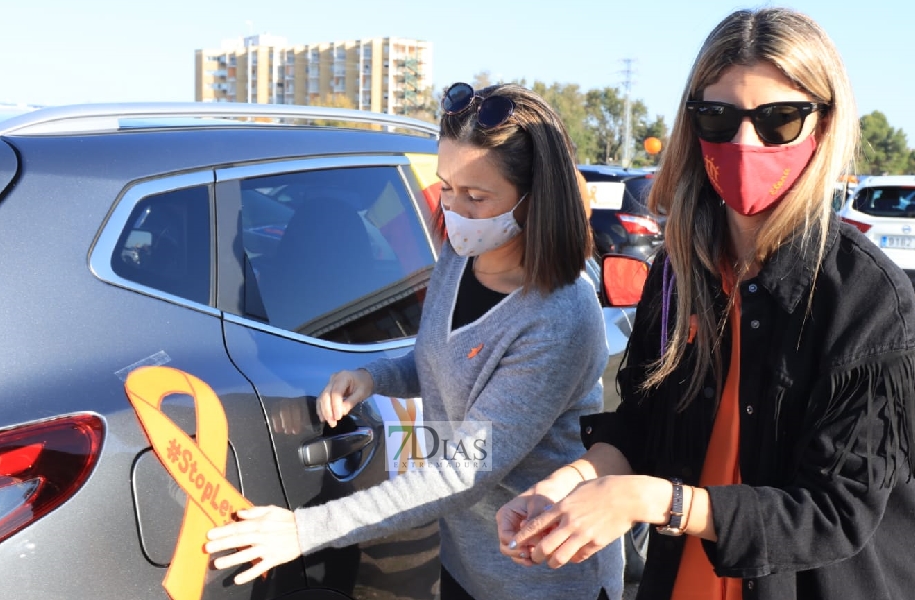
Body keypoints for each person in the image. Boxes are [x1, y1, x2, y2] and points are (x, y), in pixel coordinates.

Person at [498, 8, 915, 600]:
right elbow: (643, 425)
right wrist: (570, 483)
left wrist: (655, 501)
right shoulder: (680, 267)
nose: (744, 142)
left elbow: (836, 514)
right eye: (717, 117)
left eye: (779, 119)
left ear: (824, 124)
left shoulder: (866, 295)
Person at [205, 82, 625, 600]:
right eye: (446, 188)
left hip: (540, 571)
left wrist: (301, 531)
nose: (453, 211)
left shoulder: (560, 315)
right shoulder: (458, 256)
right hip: (467, 557)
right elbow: (439, 356)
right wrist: (375, 376)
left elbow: (463, 471)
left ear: (536, 200)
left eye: (476, 196)